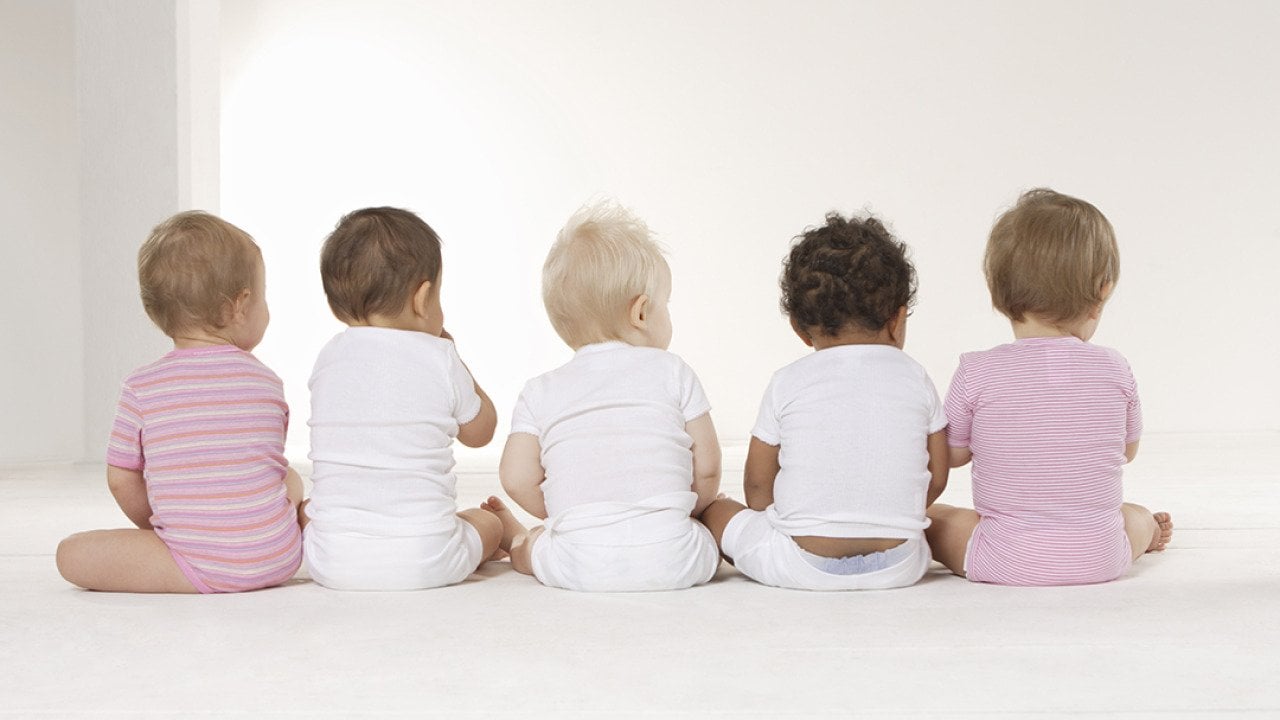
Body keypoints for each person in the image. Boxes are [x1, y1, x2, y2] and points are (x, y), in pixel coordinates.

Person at [926, 188, 1173, 585]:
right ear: (1102, 289)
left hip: (1002, 558)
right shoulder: (1115, 368)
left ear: (997, 290)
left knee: (938, 518)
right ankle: (1143, 532)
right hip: (1102, 558)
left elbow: (952, 456)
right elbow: (1127, 452)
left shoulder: (977, 371)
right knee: (1132, 515)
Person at [56, 211, 303, 593]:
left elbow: (121, 479)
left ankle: (196, 550)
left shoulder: (141, 387)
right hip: (278, 557)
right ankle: (275, 536)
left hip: (195, 561)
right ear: (239, 305)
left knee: (70, 554)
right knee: (290, 477)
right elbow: (259, 464)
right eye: (264, 297)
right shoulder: (268, 383)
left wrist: (159, 529)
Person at [699, 213, 947, 590]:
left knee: (717, 509)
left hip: (801, 565)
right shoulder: (916, 377)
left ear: (799, 329)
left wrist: (782, 523)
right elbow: (937, 475)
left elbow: (757, 487)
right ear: (898, 319)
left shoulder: (787, 382)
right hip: (900, 565)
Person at [484, 200, 721, 592]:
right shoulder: (674, 371)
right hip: (675, 556)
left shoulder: (539, 391)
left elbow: (515, 477)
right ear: (642, 313)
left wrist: (567, 513)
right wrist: (685, 513)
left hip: (575, 560)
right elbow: (708, 468)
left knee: (536, 549)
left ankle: (518, 542)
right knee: (713, 528)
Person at [304, 207, 503, 590]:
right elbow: (481, 432)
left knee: (309, 511)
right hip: (428, 560)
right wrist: (452, 350)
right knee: (486, 524)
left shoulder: (327, 358)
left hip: (329, 561)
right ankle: (493, 536)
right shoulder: (439, 357)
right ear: (423, 298)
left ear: (334, 305)